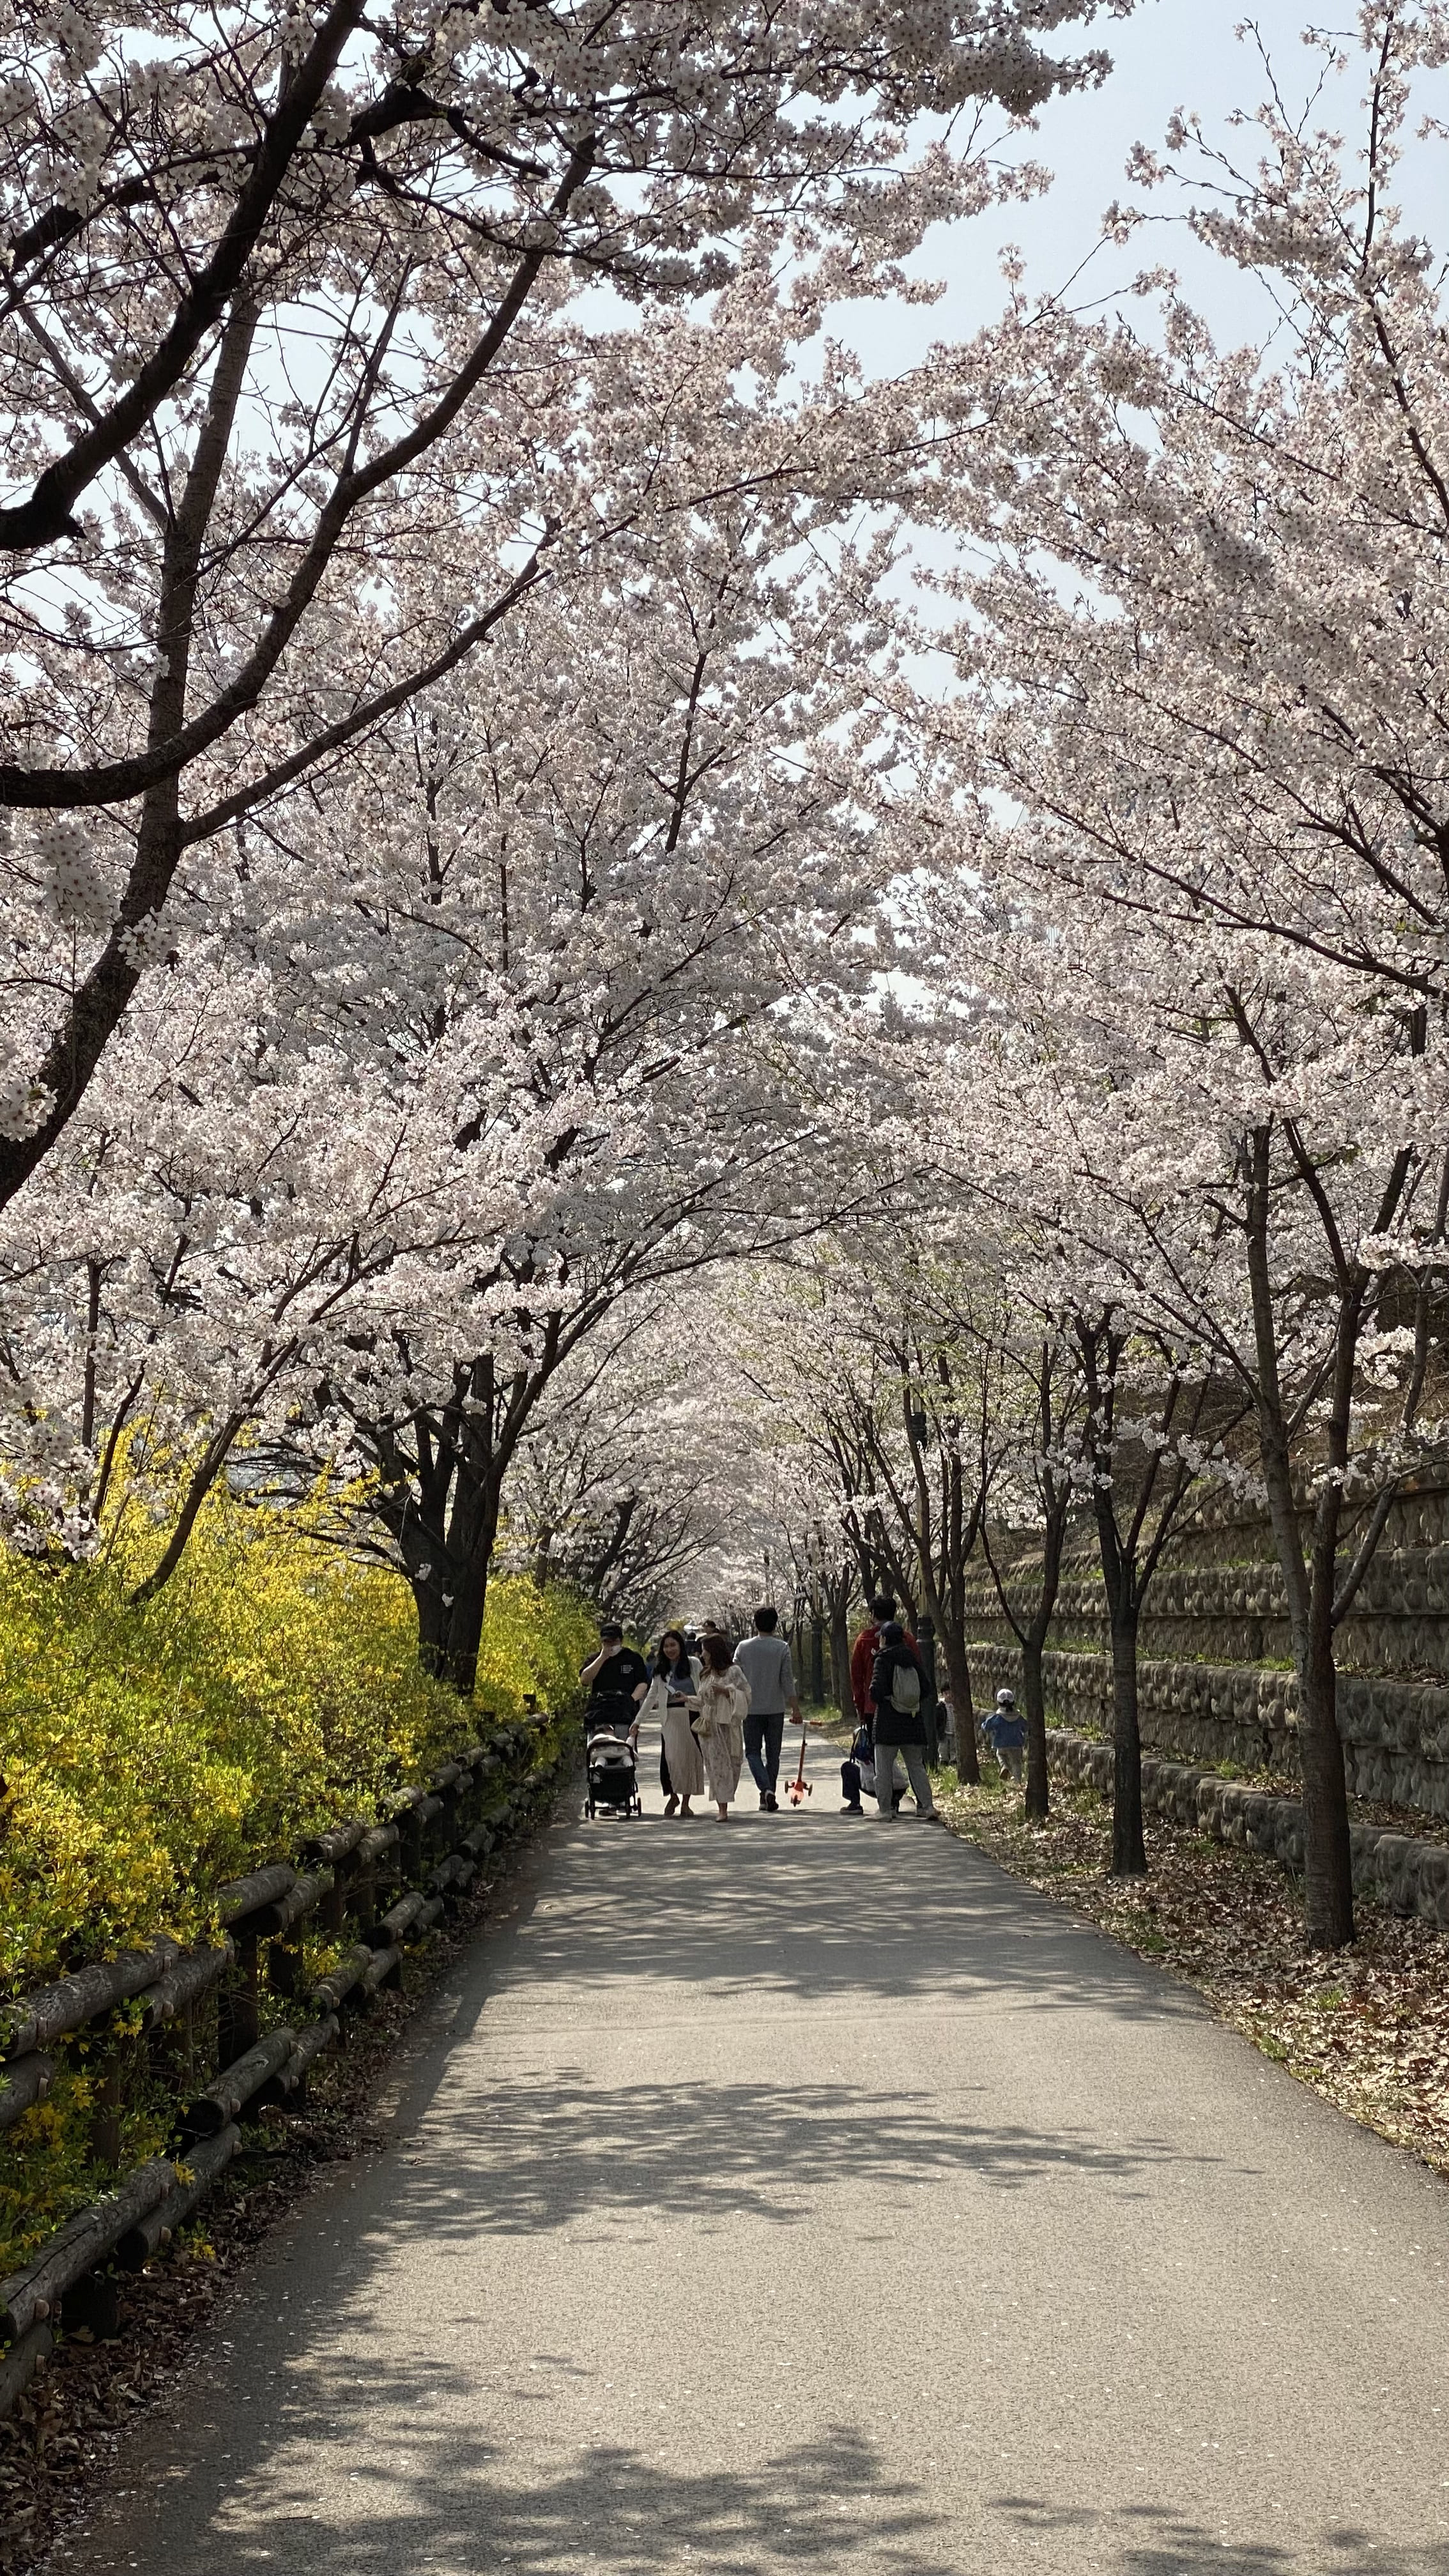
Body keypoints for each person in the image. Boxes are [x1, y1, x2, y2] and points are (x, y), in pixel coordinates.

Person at [732, 1606, 802, 1812]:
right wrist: (795, 1709)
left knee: (752, 1752)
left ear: (755, 1623)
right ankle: (768, 1792)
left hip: (751, 1709)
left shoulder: (743, 1648)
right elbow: (787, 1680)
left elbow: (735, 1676)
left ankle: (765, 1792)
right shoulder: (782, 1648)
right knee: (774, 1754)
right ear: (776, 1623)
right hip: (775, 1709)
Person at [870, 1620, 940, 1821]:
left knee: (883, 1770)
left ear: (884, 1639)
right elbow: (926, 1688)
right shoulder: (912, 1659)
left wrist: (888, 1698)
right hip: (912, 1722)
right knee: (916, 1767)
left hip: (887, 1724)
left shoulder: (882, 1659)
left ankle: (885, 1810)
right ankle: (926, 1806)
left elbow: (875, 1691)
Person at [640, 1628, 704, 1816]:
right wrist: (637, 1722)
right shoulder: (661, 1670)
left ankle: (685, 1802)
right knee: (670, 1760)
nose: (670, 1649)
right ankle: (673, 1795)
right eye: (666, 1646)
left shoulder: (693, 1664)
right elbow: (651, 1696)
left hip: (692, 1715)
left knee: (690, 1760)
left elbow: (703, 1688)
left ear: (680, 1646)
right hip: (669, 1718)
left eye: (673, 1645)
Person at [693, 1633, 751, 1820]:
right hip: (709, 1726)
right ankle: (722, 1808)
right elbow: (702, 1700)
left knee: (731, 1765)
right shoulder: (706, 1674)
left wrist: (726, 1691)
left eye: (705, 1651)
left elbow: (747, 1694)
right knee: (716, 1766)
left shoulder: (733, 1672)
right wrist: (686, 1699)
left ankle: (724, 1801)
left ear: (713, 1652)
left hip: (727, 1725)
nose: (702, 1655)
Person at [850, 1592, 918, 1735]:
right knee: (911, 1755)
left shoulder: (864, 1640)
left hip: (874, 1708)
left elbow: (857, 1678)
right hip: (907, 1707)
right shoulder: (908, 1639)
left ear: (873, 1614)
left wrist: (860, 1708)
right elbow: (919, 1670)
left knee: (879, 1756)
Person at [579, 1620, 650, 1744]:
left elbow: (643, 1683)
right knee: (597, 1750)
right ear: (602, 1642)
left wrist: (630, 1700)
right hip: (599, 1714)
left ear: (621, 1641)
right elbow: (585, 1680)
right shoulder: (594, 1659)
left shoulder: (633, 1658)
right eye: (607, 1642)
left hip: (625, 1714)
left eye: (614, 1642)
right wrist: (603, 1657)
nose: (611, 1645)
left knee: (625, 1750)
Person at [981, 1685, 1027, 1784]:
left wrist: (984, 1725)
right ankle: (1017, 1782)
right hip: (1017, 1744)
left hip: (1001, 1744)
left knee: (1000, 1755)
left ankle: (1004, 1767)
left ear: (999, 1703)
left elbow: (986, 1727)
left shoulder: (997, 1717)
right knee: (1016, 1763)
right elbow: (1026, 1727)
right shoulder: (1019, 1717)